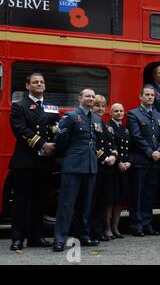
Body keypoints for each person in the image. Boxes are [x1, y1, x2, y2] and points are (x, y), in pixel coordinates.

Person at [8, 73, 60, 251]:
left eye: (42, 82)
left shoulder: (51, 108)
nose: (39, 84)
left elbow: (58, 128)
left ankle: (35, 236)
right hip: (25, 162)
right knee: (22, 201)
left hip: (45, 163)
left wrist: (56, 143)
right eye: (35, 82)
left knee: (40, 201)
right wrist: (42, 144)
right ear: (27, 86)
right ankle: (17, 238)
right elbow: (20, 130)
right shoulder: (19, 107)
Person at [53, 88, 102, 252]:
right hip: (73, 166)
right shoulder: (71, 116)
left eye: (93, 96)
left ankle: (84, 235)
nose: (91, 98)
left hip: (90, 166)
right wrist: (71, 155)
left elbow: (97, 141)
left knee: (86, 205)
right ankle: (60, 238)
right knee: (66, 204)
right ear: (79, 98)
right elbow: (60, 140)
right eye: (87, 96)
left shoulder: (96, 118)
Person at [127, 85, 160, 236]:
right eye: (147, 95)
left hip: (155, 161)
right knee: (137, 193)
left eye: (152, 95)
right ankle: (136, 225)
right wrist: (150, 152)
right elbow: (136, 136)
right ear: (140, 97)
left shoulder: (158, 115)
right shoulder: (133, 114)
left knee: (150, 194)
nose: (150, 97)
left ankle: (147, 224)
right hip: (141, 160)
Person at [90, 95, 118, 242]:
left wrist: (114, 155)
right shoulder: (91, 123)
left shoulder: (107, 125)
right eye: (97, 105)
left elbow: (113, 144)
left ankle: (98, 231)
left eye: (102, 106)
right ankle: (92, 231)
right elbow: (93, 144)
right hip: (97, 167)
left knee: (103, 201)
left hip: (108, 169)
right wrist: (104, 158)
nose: (100, 108)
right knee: (93, 201)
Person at [106, 103, 130, 239]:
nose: (119, 113)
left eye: (121, 111)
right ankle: (108, 228)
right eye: (116, 111)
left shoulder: (125, 129)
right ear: (111, 113)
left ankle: (116, 227)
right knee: (110, 199)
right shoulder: (108, 127)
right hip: (113, 168)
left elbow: (130, 148)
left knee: (120, 200)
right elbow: (110, 147)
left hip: (124, 168)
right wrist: (119, 161)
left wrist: (129, 162)